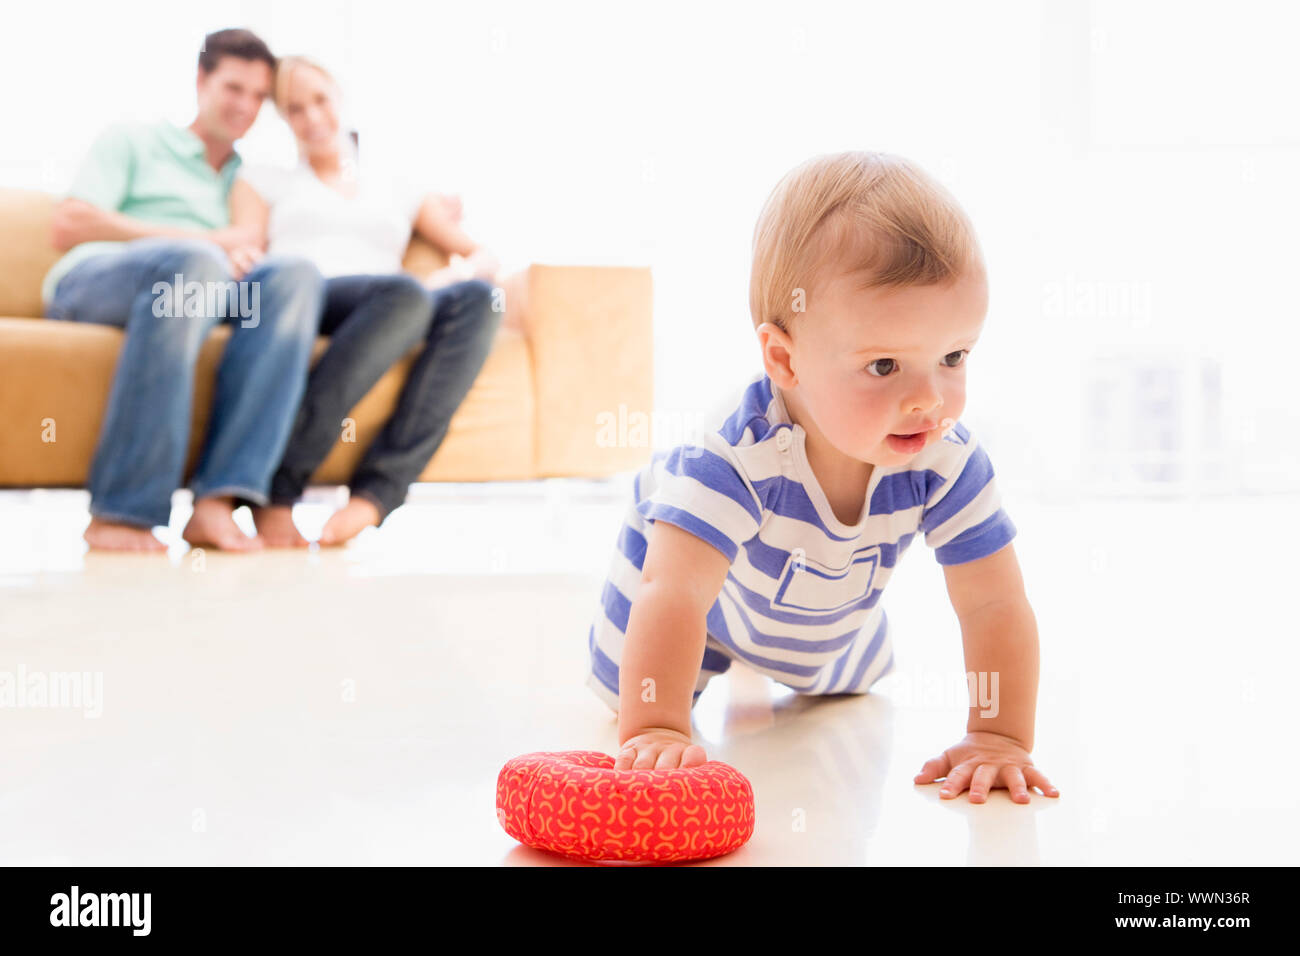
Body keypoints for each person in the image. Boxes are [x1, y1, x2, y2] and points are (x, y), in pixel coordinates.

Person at [585, 151, 1061, 805]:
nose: (928, 400)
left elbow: (994, 603)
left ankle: (776, 657)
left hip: (823, 595)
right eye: (886, 366)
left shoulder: (945, 458)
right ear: (784, 358)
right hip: (677, 585)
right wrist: (659, 726)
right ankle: (680, 687)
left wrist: (1000, 736)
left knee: (834, 674)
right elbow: (672, 593)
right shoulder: (729, 458)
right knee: (628, 689)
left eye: (953, 356)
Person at [43, 28, 324, 553]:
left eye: (259, 97)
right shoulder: (135, 139)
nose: (246, 106)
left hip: (197, 296)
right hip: (98, 282)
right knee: (194, 266)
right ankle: (122, 512)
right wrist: (210, 244)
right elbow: (69, 223)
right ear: (201, 80)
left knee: (293, 278)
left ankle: (219, 502)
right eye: (234, 88)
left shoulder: (251, 181)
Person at [231, 56, 502, 547]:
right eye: (295, 109)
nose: (312, 117)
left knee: (480, 299)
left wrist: (449, 276)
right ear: (283, 119)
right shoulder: (264, 179)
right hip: (311, 297)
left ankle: (377, 493)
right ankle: (278, 487)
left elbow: (481, 255)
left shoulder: (398, 186)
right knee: (402, 293)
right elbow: (243, 244)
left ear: (340, 99)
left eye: (320, 101)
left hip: (395, 305)